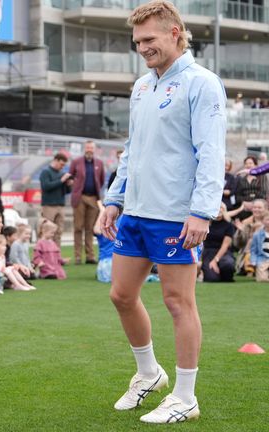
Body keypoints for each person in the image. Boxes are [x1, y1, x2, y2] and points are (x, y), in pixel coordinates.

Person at [100, 1, 226, 423]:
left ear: (175, 33)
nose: (142, 48)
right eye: (137, 42)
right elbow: (132, 149)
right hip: (136, 210)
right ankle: (150, 374)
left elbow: (211, 152)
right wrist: (114, 199)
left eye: (149, 39)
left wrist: (202, 211)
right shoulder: (141, 86)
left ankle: (185, 397)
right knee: (121, 295)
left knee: (178, 302)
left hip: (176, 214)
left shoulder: (202, 83)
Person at [69, 140, 105, 264]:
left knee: (90, 228)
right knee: (78, 227)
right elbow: (70, 177)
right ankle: (78, 256)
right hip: (80, 197)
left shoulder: (99, 163)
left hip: (93, 198)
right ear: (84, 149)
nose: (89, 150)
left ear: (94, 149)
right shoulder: (76, 162)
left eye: (91, 148)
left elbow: (101, 180)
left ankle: (90, 256)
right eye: (87, 147)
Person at [39, 153, 72, 246]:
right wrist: (61, 180)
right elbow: (46, 186)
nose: (62, 167)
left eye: (64, 165)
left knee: (58, 231)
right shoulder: (46, 172)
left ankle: (56, 252)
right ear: (56, 160)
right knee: (46, 230)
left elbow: (66, 191)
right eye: (61, 164)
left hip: (60, 205)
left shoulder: (61, 173)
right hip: (49, 206)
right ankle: (44, 250)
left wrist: (69, 185)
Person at [201, 203, 236, 282]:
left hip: (224, 252)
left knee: (228, 265)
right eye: (216, 207)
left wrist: (215, 260)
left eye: (221, 208)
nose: (219, 210)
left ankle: (225, 276)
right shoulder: (206, 224)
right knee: (212, 278)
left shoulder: (229, 225)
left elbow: (225, 245)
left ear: (224, 210)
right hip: (208, 253)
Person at [250, 213, 269, 282]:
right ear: (263, 221)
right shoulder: (257, 235)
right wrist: (253, 261)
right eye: (267, 220)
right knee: (262, 279)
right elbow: (253, 250)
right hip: (263, 259)